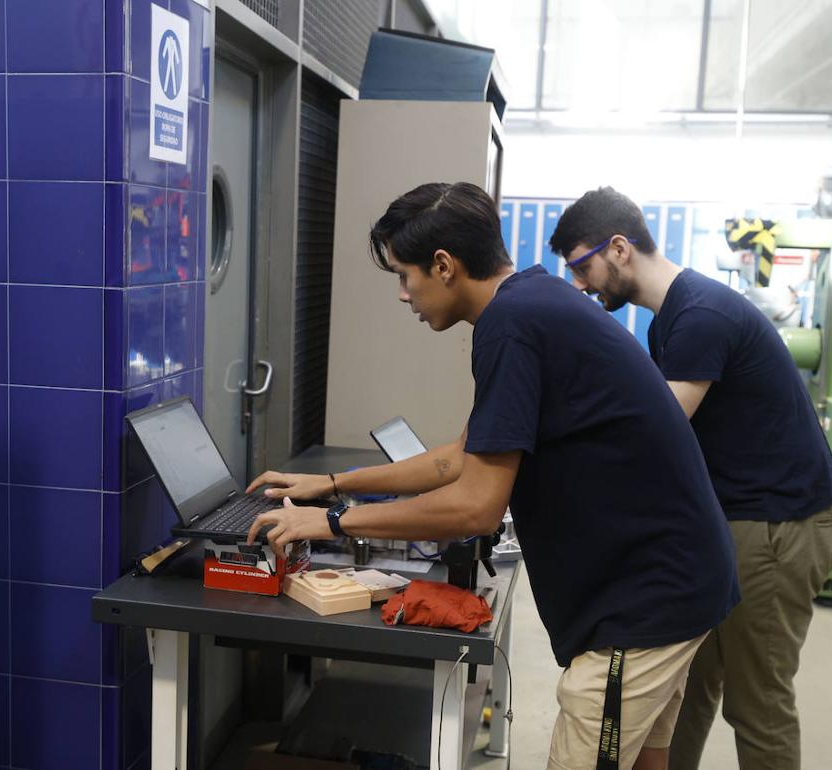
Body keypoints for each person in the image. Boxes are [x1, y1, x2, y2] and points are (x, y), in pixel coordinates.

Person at [246, 182, 739, 770]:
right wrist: (330, 485)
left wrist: (329, 523)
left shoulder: (512, 325)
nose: (404, 296)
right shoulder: (533, 300)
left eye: (405, 277)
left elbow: (475, 506)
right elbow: (459, 458)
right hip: (683, 576)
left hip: (644, 603)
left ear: (445, 266)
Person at [549, 187, 832, 770]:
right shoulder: (672, 321)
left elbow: (654, 436)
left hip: (779, 525)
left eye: (583, 267)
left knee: (757, 703)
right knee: (685, 689)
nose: (582, 285)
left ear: (618, 248)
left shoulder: (700, 317)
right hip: (738, 520)